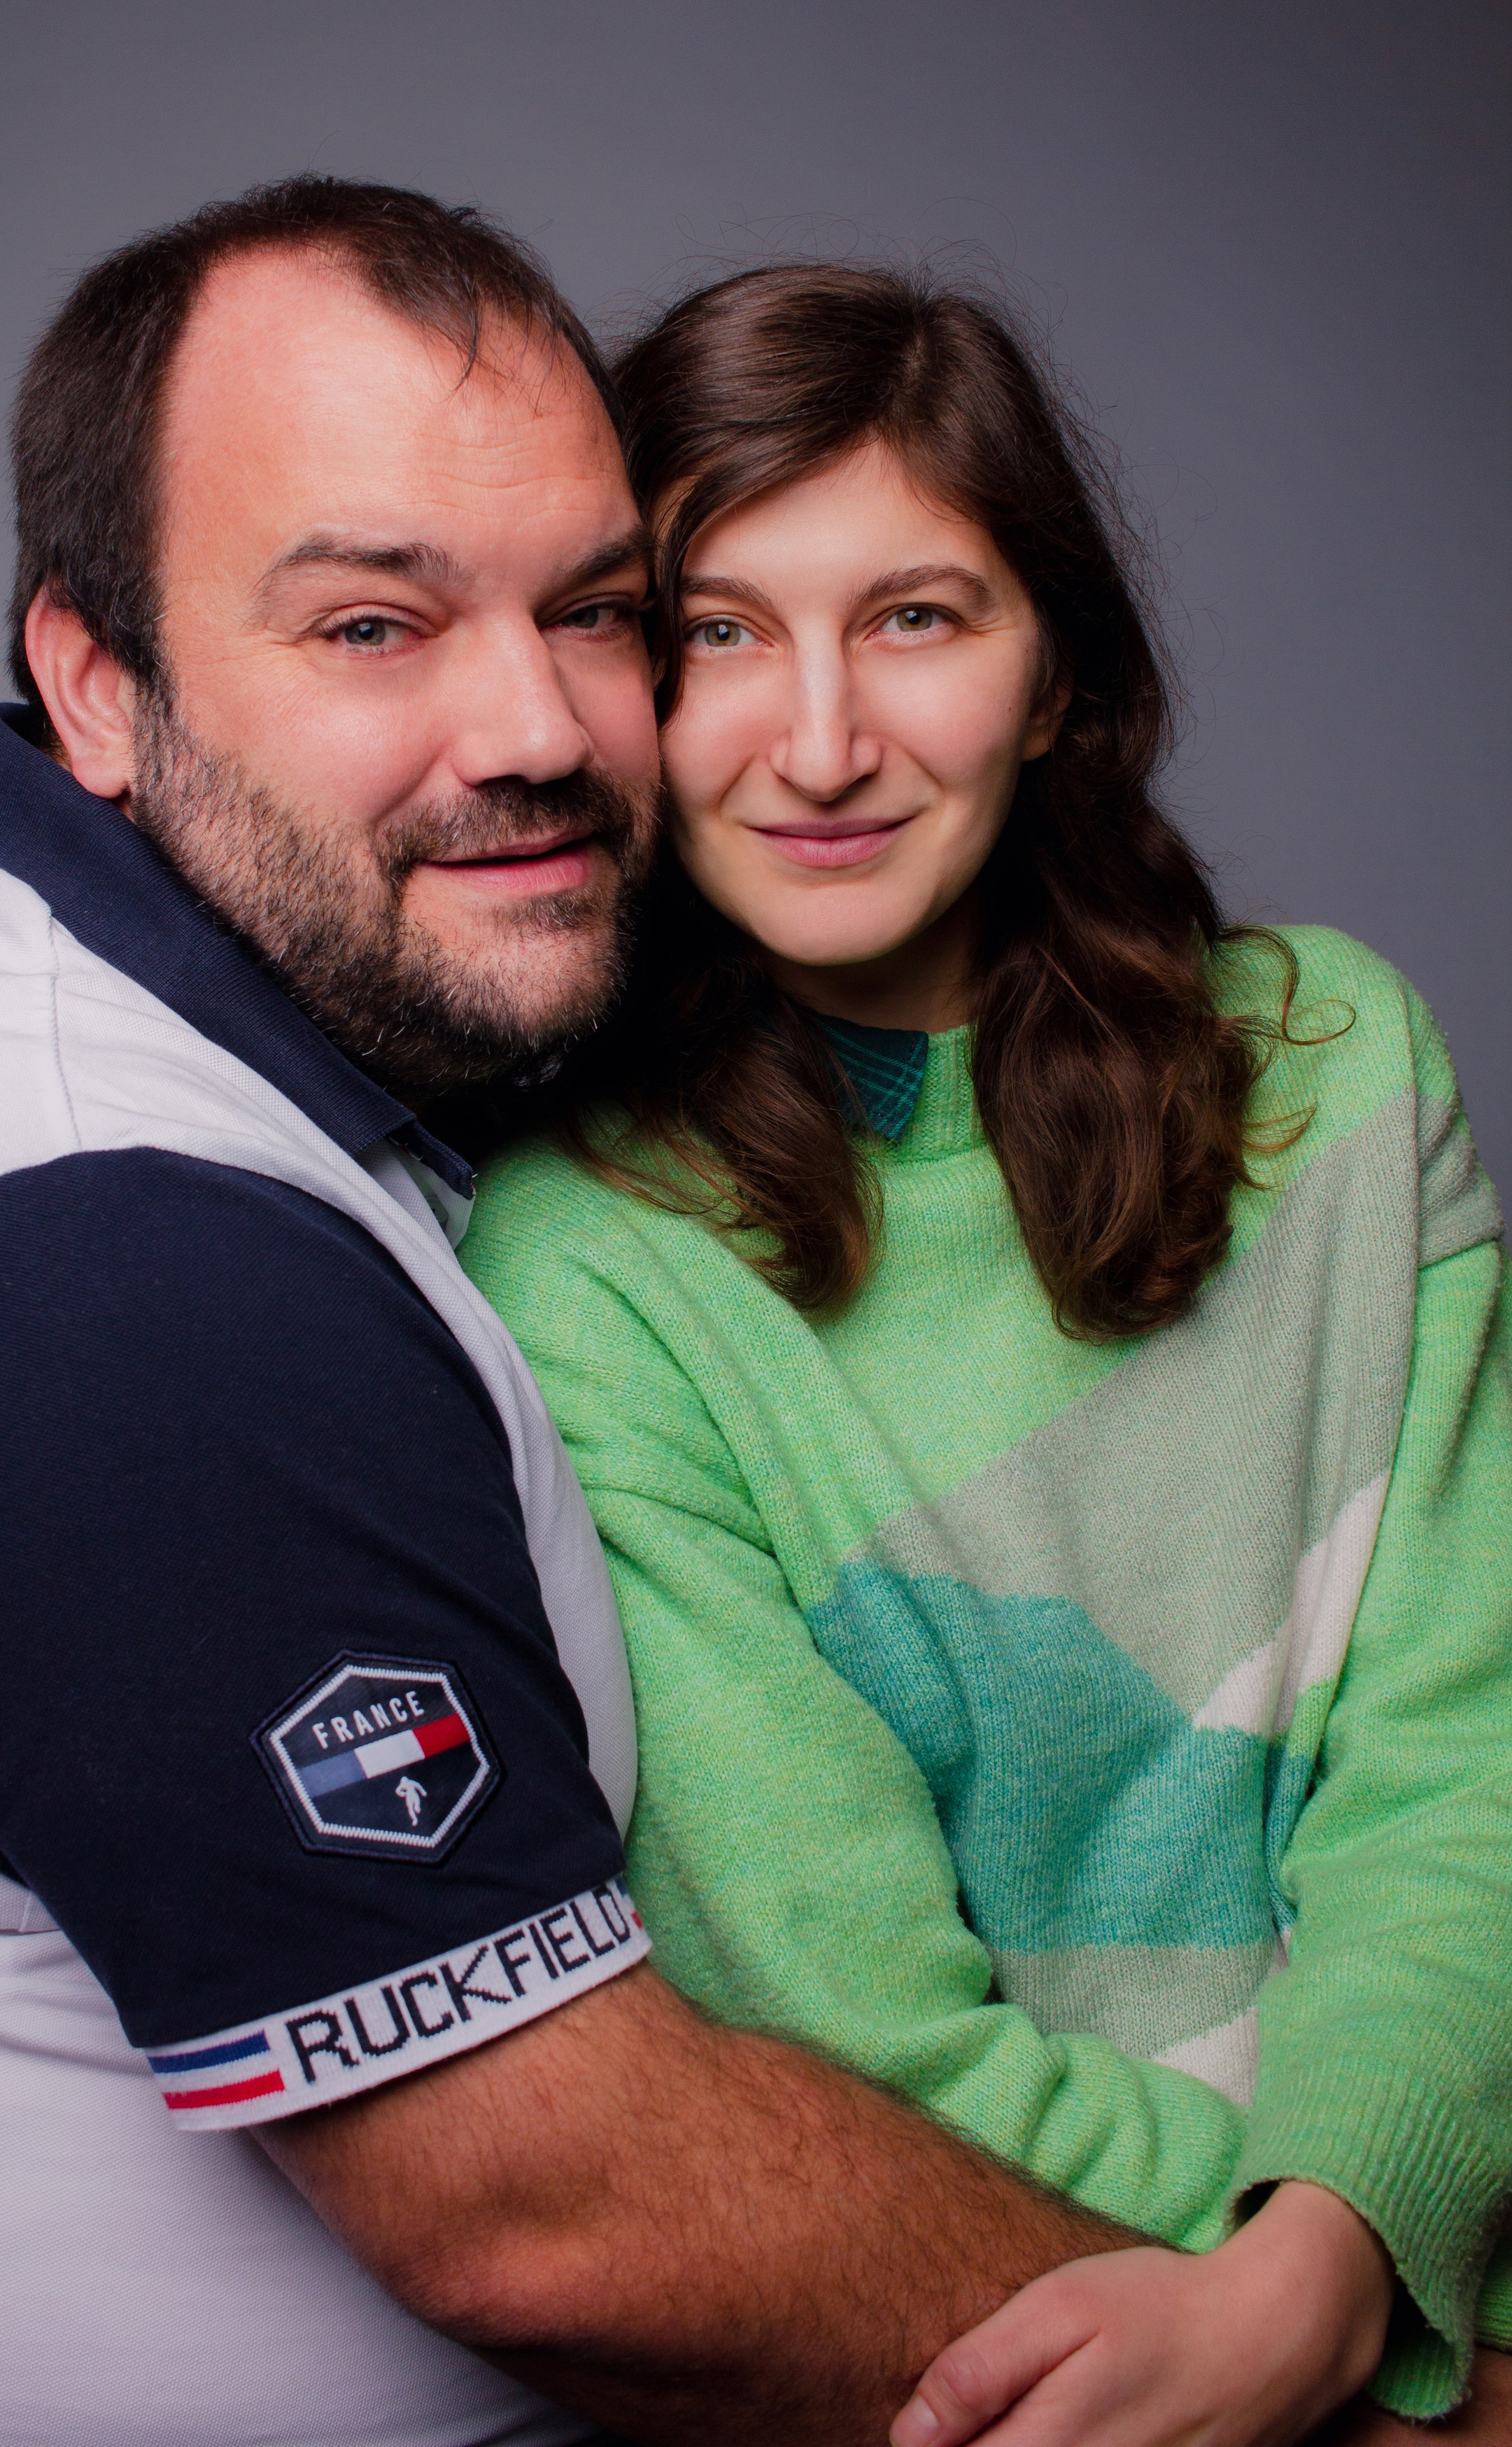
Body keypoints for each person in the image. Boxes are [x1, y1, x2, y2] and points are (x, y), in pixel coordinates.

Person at [0, 176, 1206, 2447]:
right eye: (370, 629)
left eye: (596, 610)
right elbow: (560, 2216)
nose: (533, 727)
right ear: (97, 683)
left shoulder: (269, 1057)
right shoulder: (95, 1255)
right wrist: (1362, 2406)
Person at [457, 261, 1512, 2443]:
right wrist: (1304, 2325)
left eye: (918, 617)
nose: (821, 741)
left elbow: (1470, 1763)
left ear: (1055, 682)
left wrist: (1339, 2265)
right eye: (717, 631)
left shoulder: (1338, 1068)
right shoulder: (586, 1265)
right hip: (1020, 2361)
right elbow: (842, 2018)